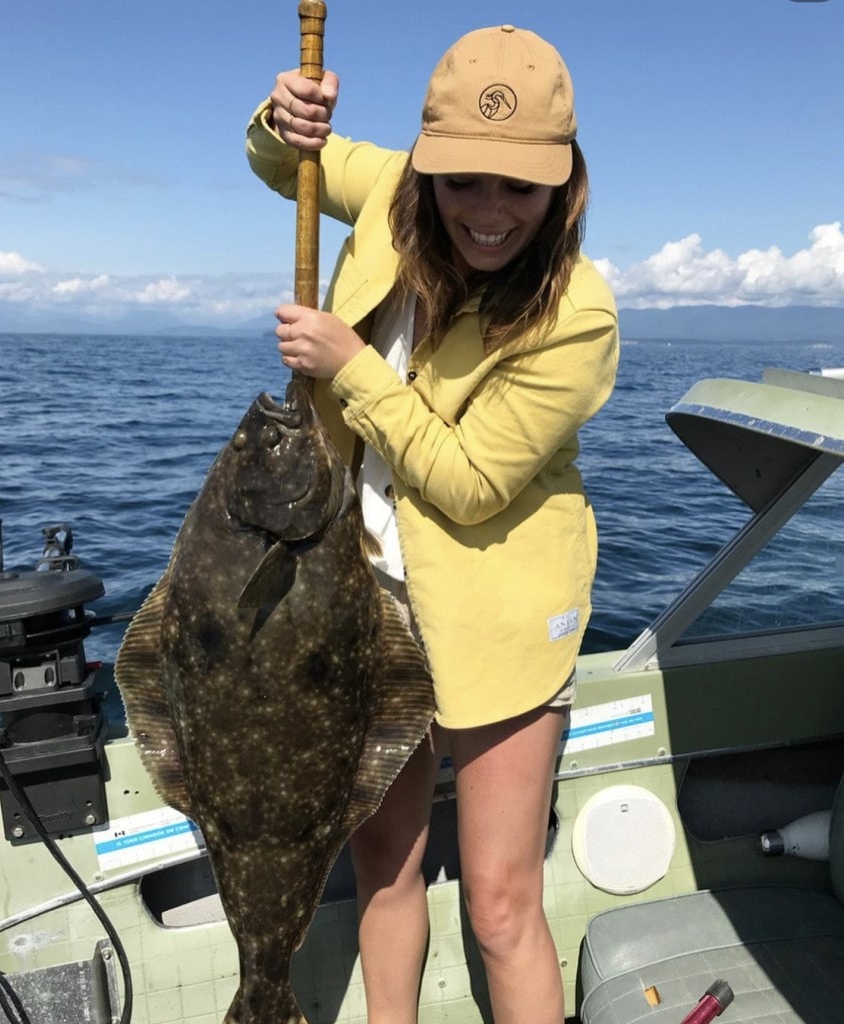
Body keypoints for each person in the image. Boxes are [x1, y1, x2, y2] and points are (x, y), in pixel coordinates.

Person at [246, 24, 618, 1024]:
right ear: (427, 167)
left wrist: (349, 364)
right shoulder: (393, 192)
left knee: (501, 904)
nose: (488, 214)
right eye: (462, 183)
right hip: (365, 601)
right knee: (385, 869)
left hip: (498, 615)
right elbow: (292, 166)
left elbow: (465, 484)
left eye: (520, 187)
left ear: (562, 184)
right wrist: (286, 121)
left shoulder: (575, 315)